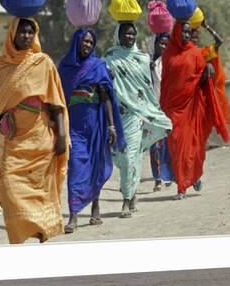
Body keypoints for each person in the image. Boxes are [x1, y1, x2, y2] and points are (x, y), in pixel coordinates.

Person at [0, 17, 69, 244]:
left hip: (41, 139)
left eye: (30, 32)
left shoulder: (42, 63)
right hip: (15, 140)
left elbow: (55, 103)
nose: (26, 36)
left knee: (41, 191)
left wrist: (62, 136)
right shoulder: (3, 65)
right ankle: (20, 236)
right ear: (12, 35)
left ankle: (41, 232)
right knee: (10, 187)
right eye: (22, 32)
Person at [58, 28, 126, 233]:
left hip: (96, 124)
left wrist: (112, 125)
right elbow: (58, 98)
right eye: (84, 41)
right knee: (76, 167)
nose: (87, 45)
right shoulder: (65, 67)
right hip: (74, 126)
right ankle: (73, 215)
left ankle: (95, 204)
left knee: (96, 165)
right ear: (76, 42)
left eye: (90, 42)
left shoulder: (98, 66)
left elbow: (106, 97)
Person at [103, 22, 172, 218]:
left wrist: (151, 111)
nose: (130, 37)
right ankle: (131, 193)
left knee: (130, 156)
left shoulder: (142, 59)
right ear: (118, 35)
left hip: (136, 116)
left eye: (133, 33)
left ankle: (126, 200)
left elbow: (147, 90)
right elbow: (104, 85)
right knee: (122, 157)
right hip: (116, 116)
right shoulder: (109, 58)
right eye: (126, 33)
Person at [160, 22, 230, 200]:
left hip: (193, 108)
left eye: (188, 32)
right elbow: (166, 83)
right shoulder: (168, 54)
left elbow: (203, 79)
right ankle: (183, 183)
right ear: (176, 32)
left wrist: (207, 70)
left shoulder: (197, 54)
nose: (186, 35)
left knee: (194, 146)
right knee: (176, 146)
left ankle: (184, 185)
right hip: (173, 109)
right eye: (183, 31)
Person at [191, 20, 230, 126]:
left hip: (203, 92)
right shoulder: (183, 54)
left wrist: (207, 27)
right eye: (192, 36)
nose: (194, 39)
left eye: (196, 37)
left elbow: (219, 42)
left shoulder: (203, 52)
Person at [148, 33, 175, 192]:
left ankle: (168, 174)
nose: (163, 47)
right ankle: (157, 178)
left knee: (169, 143)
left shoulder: (172, 63)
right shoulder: (149, 64)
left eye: (166, 44)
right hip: (153, 108)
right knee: (154, 145)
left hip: (169, 108)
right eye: (161, 44)